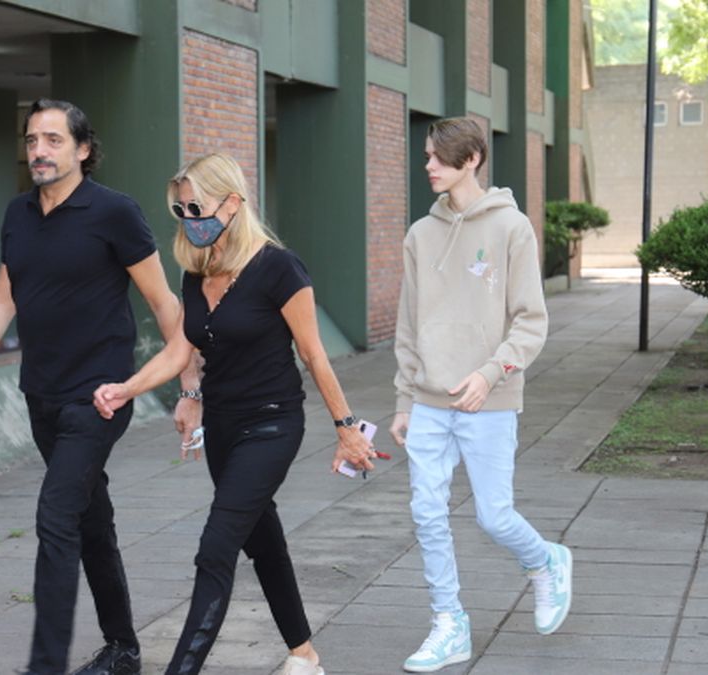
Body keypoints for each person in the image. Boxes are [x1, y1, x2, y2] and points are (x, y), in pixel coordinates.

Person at [0, 99, 199, 675]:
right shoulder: (18, 215)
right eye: (32, 140)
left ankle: (45, 664)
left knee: (56, 515)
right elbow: (2, 297)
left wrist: (190, 383)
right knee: (89, 518)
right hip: (42, 396)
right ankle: (124, 648)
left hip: (101, 397)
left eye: (53, 140)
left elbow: (162, 300)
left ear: (82, 149)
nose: (39, 151)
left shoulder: (114, 213)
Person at [93, 153, 375, 675]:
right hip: (222, 426)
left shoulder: (278, 268)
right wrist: (128, 389)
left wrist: (346, 428)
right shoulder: (196, 273)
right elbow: (182, 352)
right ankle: (304, 655)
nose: (189, 219)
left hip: (273, 423)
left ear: (233, 203)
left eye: (196, 206)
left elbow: (314, 355)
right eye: (180, 210)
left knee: (216, 547)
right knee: (261, 540)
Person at [389, 117, 572, 672]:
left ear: (471, 159)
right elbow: (407, 323)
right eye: (426, 156)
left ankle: (546, 560)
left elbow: (530, 322)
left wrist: (490, 373)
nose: (429, 166)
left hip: (487, 398)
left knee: (494, 516)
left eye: (439, 157)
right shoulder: (420, 234)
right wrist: (403, 399)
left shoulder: (511, 227)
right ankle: (450, 624)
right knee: (426, 512)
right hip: (427, 398)